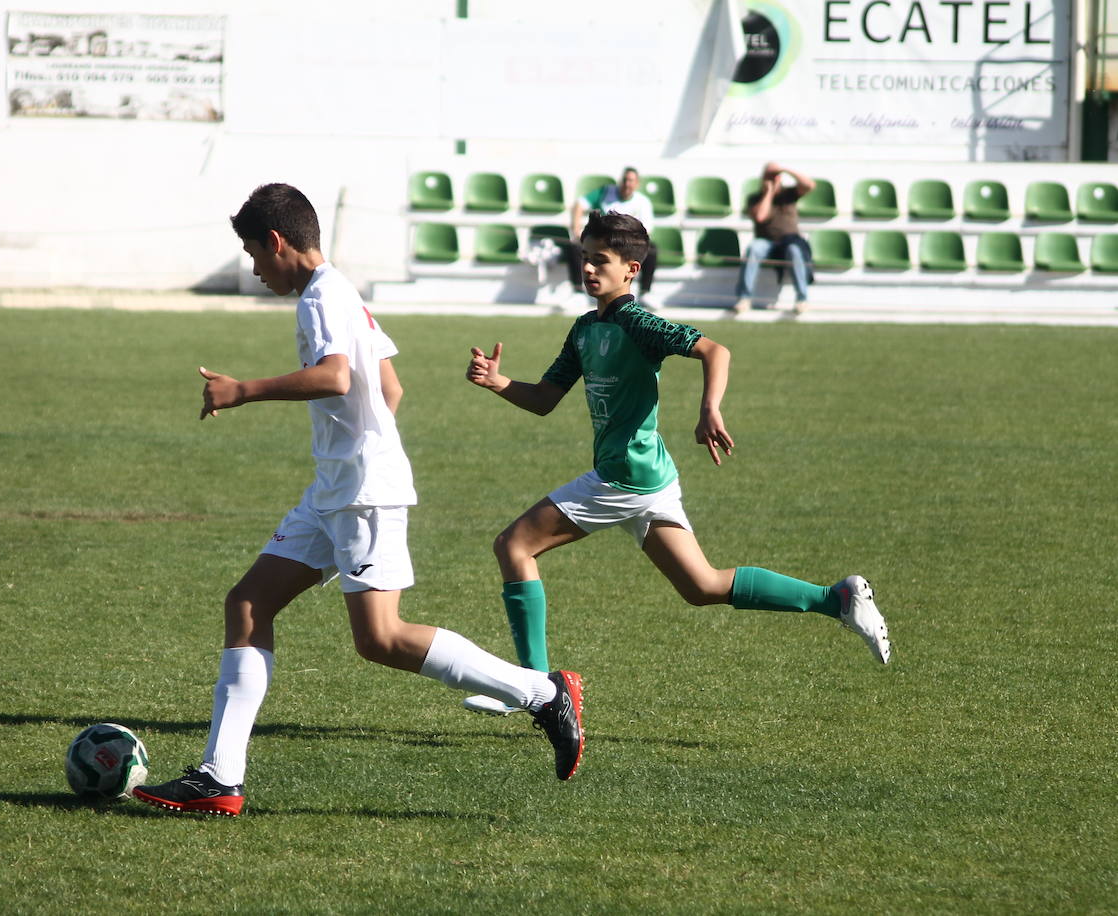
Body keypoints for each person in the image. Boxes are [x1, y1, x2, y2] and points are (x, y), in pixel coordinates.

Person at [132, 183, 584, 815]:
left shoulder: (321, 298)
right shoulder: (342, 291)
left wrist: (245, 391)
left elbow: (338, 376)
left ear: (278, 241)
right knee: (248, 602)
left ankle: (541, 693)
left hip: (361, 492)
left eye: (254, 253)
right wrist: (357, 450)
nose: (255, 268)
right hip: (338, 488)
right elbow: (389, 386)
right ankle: (219, 777)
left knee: (380, 638)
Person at [459, 210, 890, 717]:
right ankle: (836, 599)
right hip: (649, 476)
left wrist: (709, 408)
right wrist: (498, 383)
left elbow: (716, 349)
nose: (589, 269)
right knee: (701, 586)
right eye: (585, 258)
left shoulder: (637, 323)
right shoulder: (583, 329)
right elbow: (546, 398)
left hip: (624, 477)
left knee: (514, 545)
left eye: (601, 260)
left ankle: (536, 690)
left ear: (631, 271)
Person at [733, 162, 816, 315]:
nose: (773, 180)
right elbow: (760, 216)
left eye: (775, 177)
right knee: (754, 248)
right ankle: (744, 298)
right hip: (766, 242)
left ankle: (802, 298)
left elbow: (809, 185)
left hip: (789, 240)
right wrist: (768, 193)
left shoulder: (790, 194)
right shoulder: (755, 198)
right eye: (769, 177)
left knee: (795, 250)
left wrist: (784, 169)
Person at [568, 167, 656, 302]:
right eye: (625, 180)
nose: (627, 184)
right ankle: (578, 292)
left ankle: (645, 292)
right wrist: (576, 229)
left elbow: (646, 232)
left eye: (631, 181)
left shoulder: (643, 202)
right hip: (601, 243)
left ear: (636, 184)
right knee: (576, 246)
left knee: (652, 250)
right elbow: (579, 204)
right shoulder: (605, 192)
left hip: (626, 245)